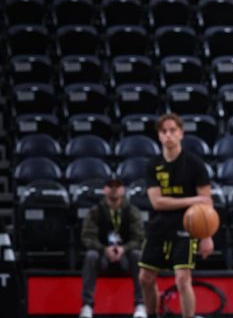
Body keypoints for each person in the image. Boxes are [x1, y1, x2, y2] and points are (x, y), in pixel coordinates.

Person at [139, 113, 214, 318]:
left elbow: (207, 205)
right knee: (145, 277)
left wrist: (207, 236)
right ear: (159, 136)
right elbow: (157, 202)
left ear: (181, 133)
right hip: (159, 225)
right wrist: (192, 200)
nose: (168, 135)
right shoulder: (152, 165)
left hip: (186, 227)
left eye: (173, 130)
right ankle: (152, 314)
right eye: (164, 131)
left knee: (182, 279)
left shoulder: (195, 164)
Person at [80, 175, 146, 318]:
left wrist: (124, 249)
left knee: (137, 255)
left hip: (125, 257)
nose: (114, 189)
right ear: (105, 189)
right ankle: (87, 306)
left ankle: (140, 305)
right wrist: (104, 249)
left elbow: (139, 238)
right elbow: (87, 237)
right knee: (91, 255)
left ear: (123, 189)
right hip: (103, 256)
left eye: (117, 186)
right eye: (111, 186)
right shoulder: (95, 211)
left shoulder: (132, 211)